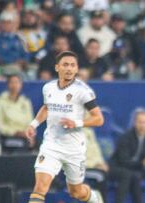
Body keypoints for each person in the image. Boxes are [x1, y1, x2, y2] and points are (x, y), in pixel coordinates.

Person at [25, 51, 104, 203]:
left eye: (72, 65)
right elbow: (47, 107)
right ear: (57, 67)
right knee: (40, 187)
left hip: (74, 148)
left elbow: (99, 119)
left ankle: (94, 198)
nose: (69, 68)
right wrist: (34, 124)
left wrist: (77, 123)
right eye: (65, 65)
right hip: (51, 145)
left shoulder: (83, 91)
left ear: (76, 69)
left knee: (76, 192)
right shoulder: (48, 88)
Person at [109, 108, 145, 203]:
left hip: (138, 168)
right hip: (118, 167)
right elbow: (124, 161)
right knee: (130, 175)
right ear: (134, 123)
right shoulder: (125, 137)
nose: (142, 125)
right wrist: (143, 164)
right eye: (140, 122)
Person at [0, 74, 34, 148]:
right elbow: (0, 125)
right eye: (12, 82)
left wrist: (30, 135)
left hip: (25, 136)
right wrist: (15, 133)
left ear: (21, 85)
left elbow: (30, 122)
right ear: (7, 85)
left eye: (17, 82)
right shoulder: (0, 101)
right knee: (19, 146)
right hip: (8, 136)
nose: (14, 85)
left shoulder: (26, 101)